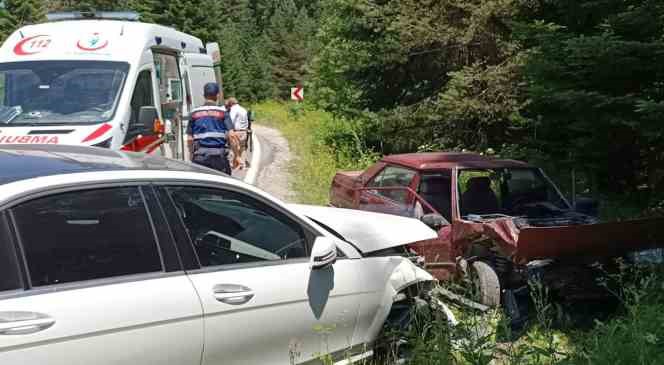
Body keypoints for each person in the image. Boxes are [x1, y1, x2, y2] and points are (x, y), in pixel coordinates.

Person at [186, 83, 234, 175]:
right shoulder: (223, 112)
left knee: (202, 185)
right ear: (217, 95)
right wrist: (236, 155)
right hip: (219, 156)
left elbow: (189, 139)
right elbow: (232, 135)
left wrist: (191, 154)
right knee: (224, 184)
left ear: (204, 95)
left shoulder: (194, 113)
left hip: (200, 156)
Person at [226, 97, 249, 169]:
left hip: (236, 132)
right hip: (244, 131)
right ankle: (243, 165)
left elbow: (230, 120)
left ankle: (233, 165)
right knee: (242, 148)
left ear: (231, 104)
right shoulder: (243, 109)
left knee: (233, 149)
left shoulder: (234, 109)